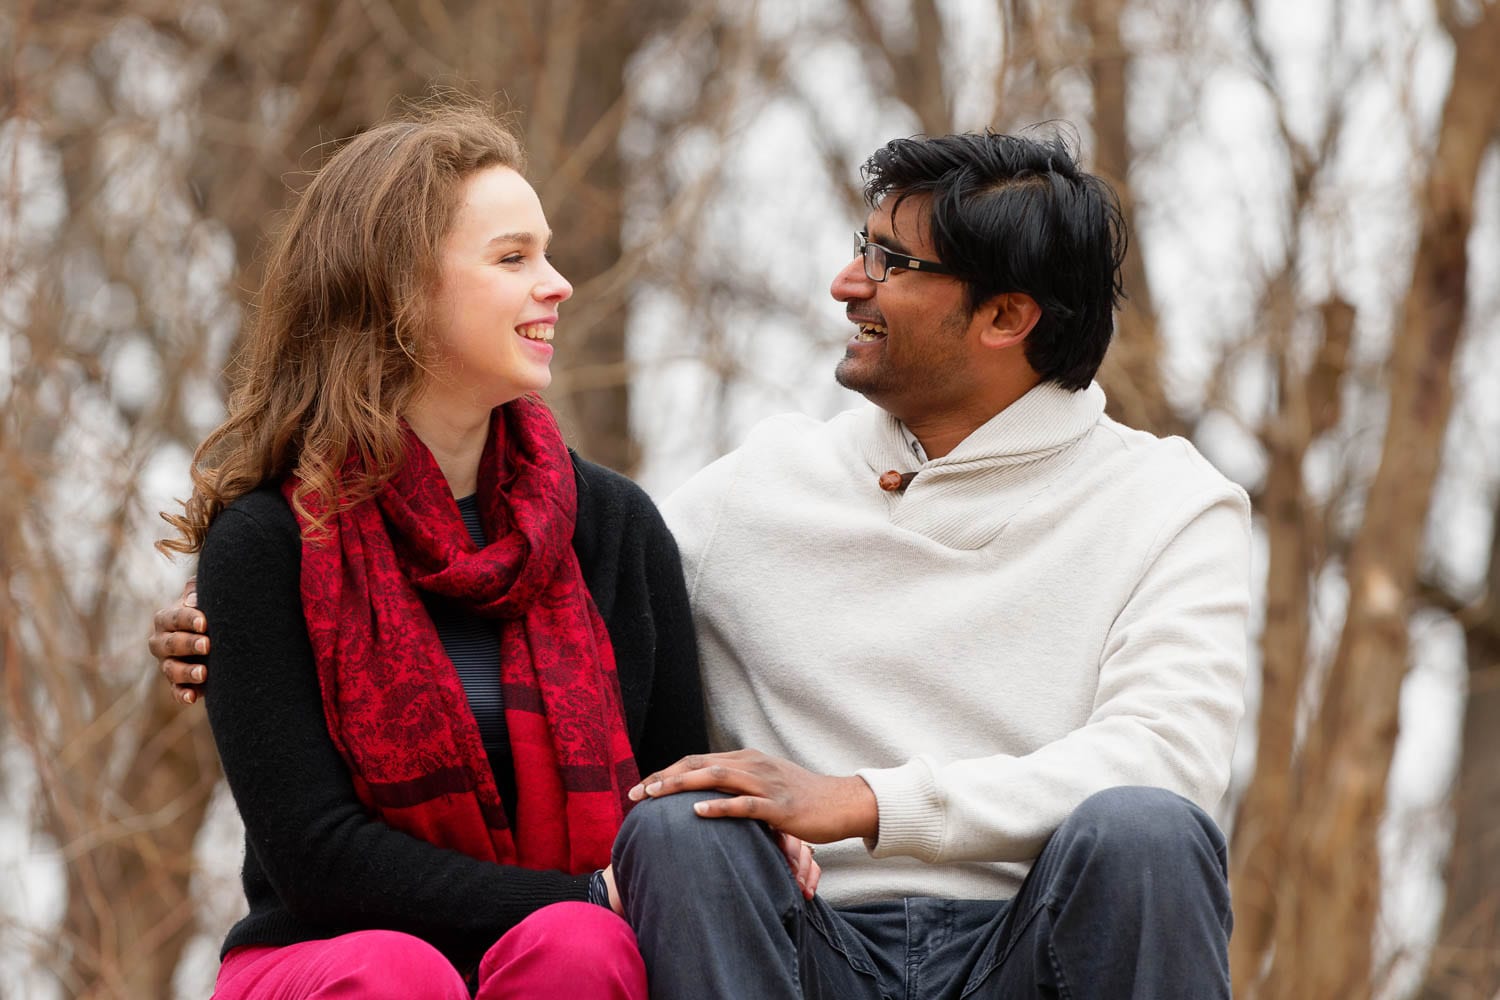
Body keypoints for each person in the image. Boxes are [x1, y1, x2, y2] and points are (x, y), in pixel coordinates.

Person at [155, 129, 1249, 999]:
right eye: (858, 245)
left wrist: (863, 800)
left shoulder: (1168, 505)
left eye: (887, 261)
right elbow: (504, 591)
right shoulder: (743, 502)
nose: (843, 282)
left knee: (1145, 828)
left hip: (1038, 940)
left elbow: (1167, 762)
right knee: (676, 831)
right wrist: (219, 624)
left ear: (1006, 315)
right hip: (798, 952)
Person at [152, 98, 744, 1000]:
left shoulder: (614, 527)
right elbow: (316, 860)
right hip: (331, 953)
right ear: (397, 289)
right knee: (399, 972)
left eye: (545, 253)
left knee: (579, 948)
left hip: (570, 956)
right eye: (513, 259)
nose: (558, 284)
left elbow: (672, 808)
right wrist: (583, 890)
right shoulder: (267, 544)